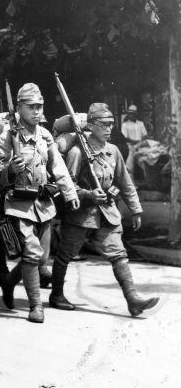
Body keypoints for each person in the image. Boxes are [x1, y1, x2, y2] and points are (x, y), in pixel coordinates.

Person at [49, 103, 159, 317]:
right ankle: (56, 295)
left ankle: (133, 300)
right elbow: (67, 186)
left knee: (118, 254)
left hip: (107, 213)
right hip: (80, 214)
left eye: (111, 124)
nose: (109, 129)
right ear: (90, 126)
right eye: (104, 124)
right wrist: (88, 195)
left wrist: (136, 209)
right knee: (65, 255)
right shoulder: (77, 152)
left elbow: (125, 182)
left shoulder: (113, 151)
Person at [0, 83, 80, 323]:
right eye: (31, 107)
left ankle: (9, 282)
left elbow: (57, 166)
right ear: (19, 108)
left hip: (43, 204)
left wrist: (70, 193)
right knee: (31, 253)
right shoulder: (8, 136)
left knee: (40, 258)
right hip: (18, 204)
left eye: (39, 106)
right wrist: (10, 169)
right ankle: (36, 306)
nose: (36, 111)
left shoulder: (45, 135)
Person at [121, 104, 147, 176]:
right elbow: (125, 138)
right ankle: (131, 180)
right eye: (130, 114)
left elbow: (144, 135)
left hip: (141, 145)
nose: (131, 115)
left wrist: (140, 143)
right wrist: (136, 142)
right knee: (130, 163)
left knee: (147, 160)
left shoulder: (141, 123)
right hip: (130, 146)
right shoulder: (125, 125)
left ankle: (147, 178)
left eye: (133, 114)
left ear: (136, 114)